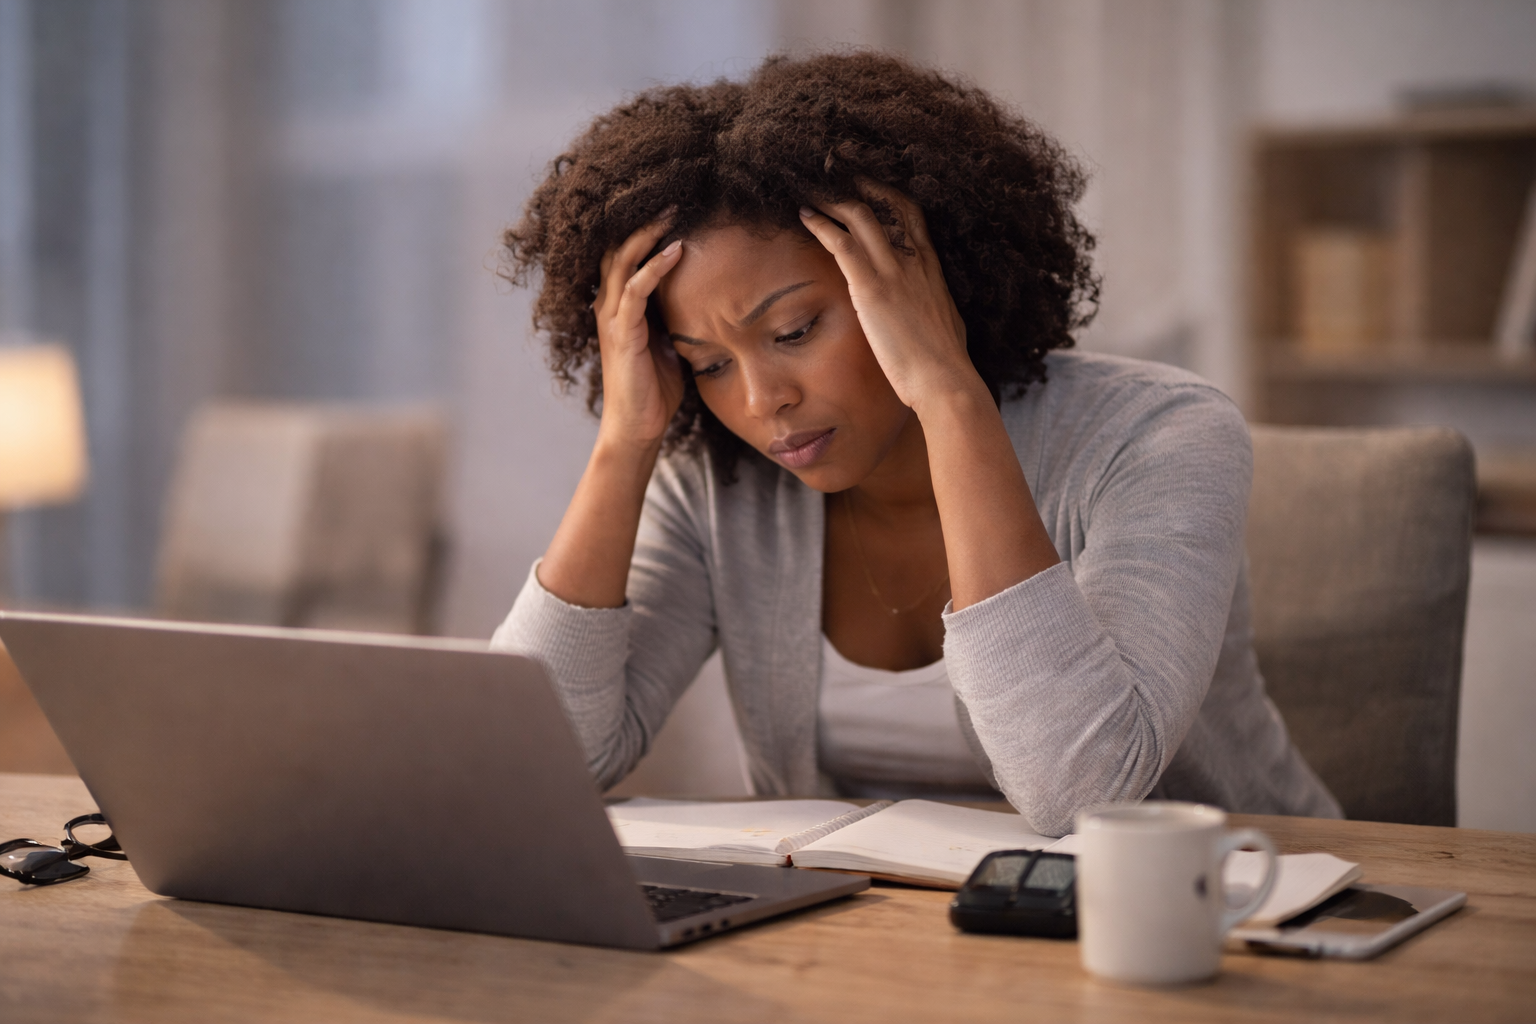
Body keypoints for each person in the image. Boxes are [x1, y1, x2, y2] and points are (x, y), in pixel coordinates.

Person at [490, 51, 1340, 836]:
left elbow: (1080, 791)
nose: (761, 400)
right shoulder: (718, 486)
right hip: (877, 953)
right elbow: (537, 764)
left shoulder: (1156, 436)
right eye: (708, 363)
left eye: (792, 331)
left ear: (921, 277)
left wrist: (947, 395)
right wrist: (624, 444)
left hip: (1216, 925)